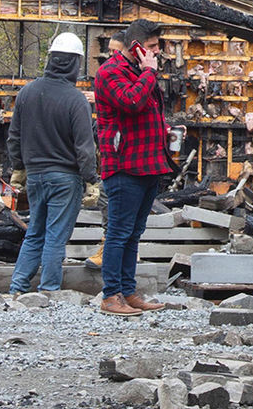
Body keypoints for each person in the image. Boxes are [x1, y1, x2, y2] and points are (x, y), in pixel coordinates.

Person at [7, 32, 98, 296]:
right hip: (65, 179)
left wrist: (19, 167)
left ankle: (17, 288)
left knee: (35, 232)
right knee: (56, 236)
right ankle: (48, 291)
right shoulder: (76, 100)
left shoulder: (27, 93)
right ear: (75, 64)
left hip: (35, 176)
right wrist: (90, 179)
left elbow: (14, 135)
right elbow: (85, 146)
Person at [94, 18, 171, 316]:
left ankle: (127, 291)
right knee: (119, 232)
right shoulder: (111, 72)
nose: (156, 52)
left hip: (147, 165)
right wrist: (149, 72)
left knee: (134, 232)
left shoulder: (139, 72)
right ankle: (111, 295)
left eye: (157, 46)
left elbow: (146, 113)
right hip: (125, 165)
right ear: (134, 45)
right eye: (151, 47)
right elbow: (132, 102)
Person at [84, 30, 125, 272]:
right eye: (109, 52)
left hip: (123, 156)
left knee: (112, 203)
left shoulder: (130, 77)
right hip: (110, 151)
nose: (111, 57)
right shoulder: (110, 74)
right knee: (108, 202)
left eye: (116, 51)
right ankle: (112, 252)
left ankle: (110, 253)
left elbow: (129, 104)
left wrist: (99, 99)